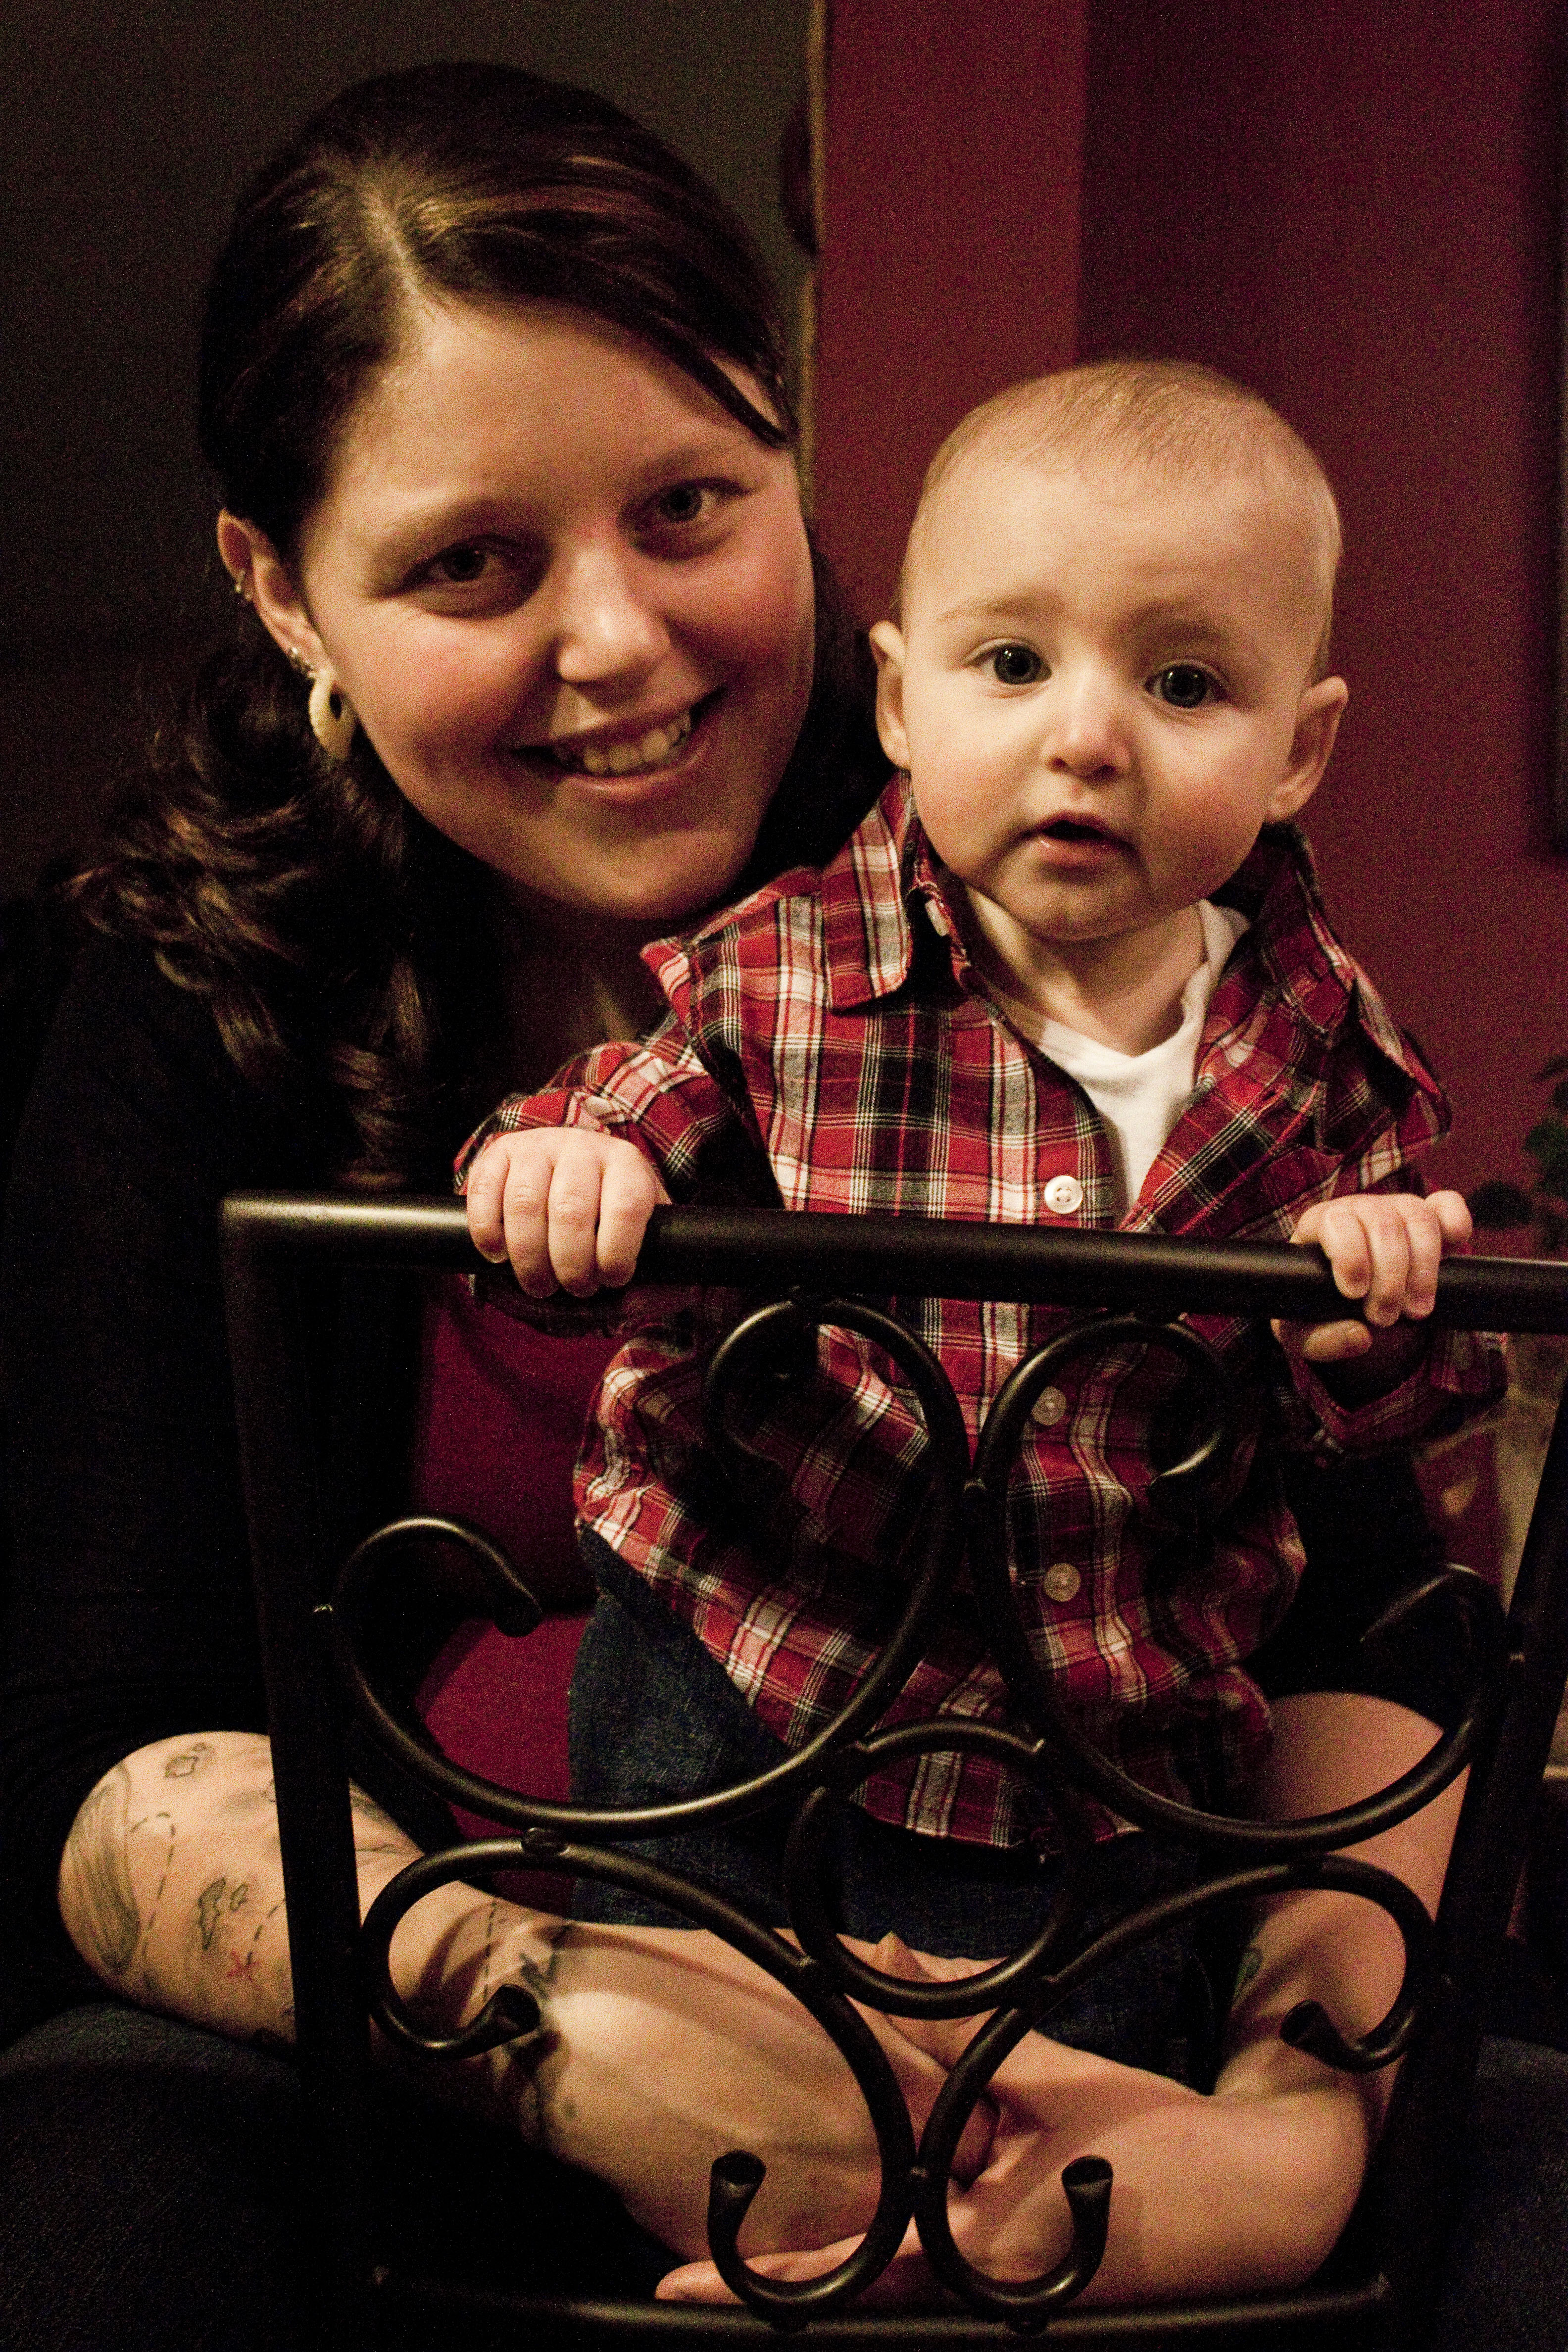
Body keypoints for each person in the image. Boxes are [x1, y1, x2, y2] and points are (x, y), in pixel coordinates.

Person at [0, 56, 1556, 2352]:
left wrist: (1292, 2126)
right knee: (102, 2230)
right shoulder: (177, 1002)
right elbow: (101, 1743)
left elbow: (1373, 1632)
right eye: (469, 563)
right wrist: (580, 2039)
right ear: (286, 594)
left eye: (689, 507)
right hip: (455, 2024)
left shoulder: (1108, 908)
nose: (622, 643)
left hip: (1128, 1998)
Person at [459, 361, 1507, 2294]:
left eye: (1183, 684)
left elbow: (1398, 1421)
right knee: (709, 2082)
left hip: (1103, 1722)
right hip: (752, 1651)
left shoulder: (1321, 1057)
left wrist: (1374, 1307)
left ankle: (962, 2261)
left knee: (1054, 2162)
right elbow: (623, 1106)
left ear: (1300, 749)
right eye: (1013, 665)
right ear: (902, 697)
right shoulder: (787, 971)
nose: (1085, 739)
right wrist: (569, 1168)